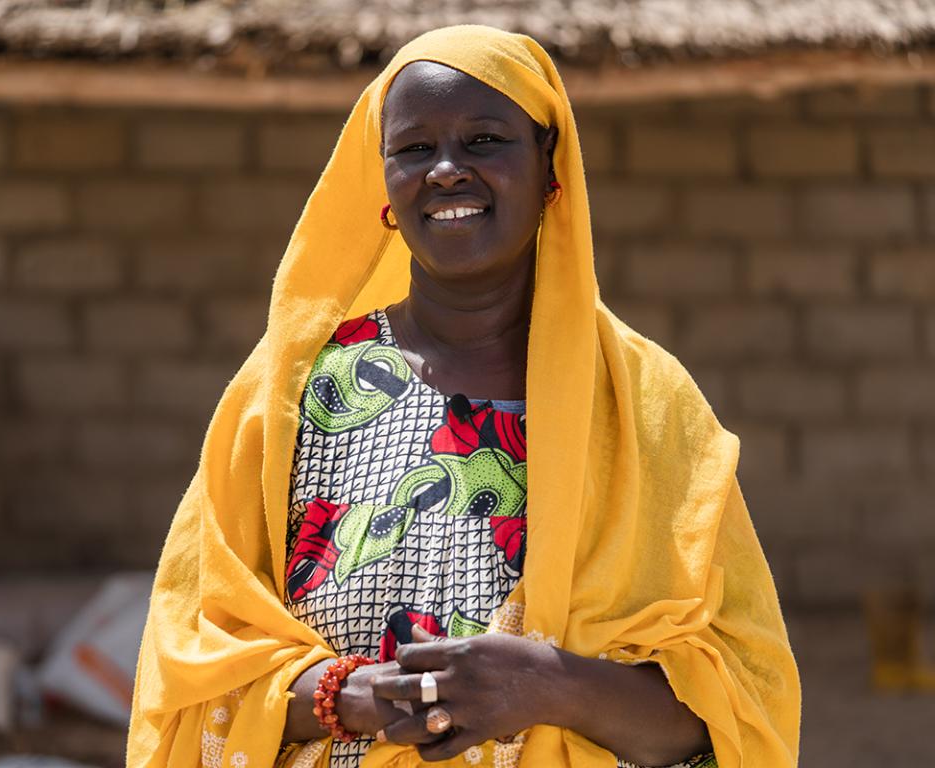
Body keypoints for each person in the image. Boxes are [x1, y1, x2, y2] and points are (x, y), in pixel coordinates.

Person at [127, 25, 800, 768]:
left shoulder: (646, 404)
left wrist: (550, 686)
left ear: (549, 167)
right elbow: (192, 658)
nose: (446, 170)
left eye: (484, 140)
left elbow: (739, 703)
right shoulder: (293, 392)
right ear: (383, 183)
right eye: (414, 149)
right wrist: (351, 695)